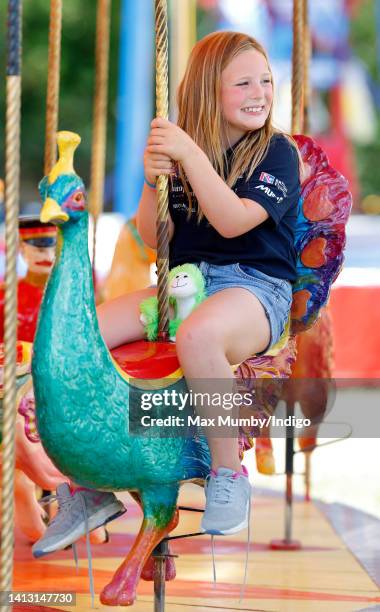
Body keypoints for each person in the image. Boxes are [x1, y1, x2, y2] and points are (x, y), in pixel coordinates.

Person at [32, 30, 300, 557]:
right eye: (243, 82)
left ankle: (227, 473)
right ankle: (89, 485)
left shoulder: (277, 153)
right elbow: (152, 237)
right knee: (76, 338)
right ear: (206, 90)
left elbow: (231, 222)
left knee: (199, 336)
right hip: (183, 285)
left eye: (265, 80)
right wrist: (154, 181)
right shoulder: (183, 155)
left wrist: (187, 156)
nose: (260, 91)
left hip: (254, 289)